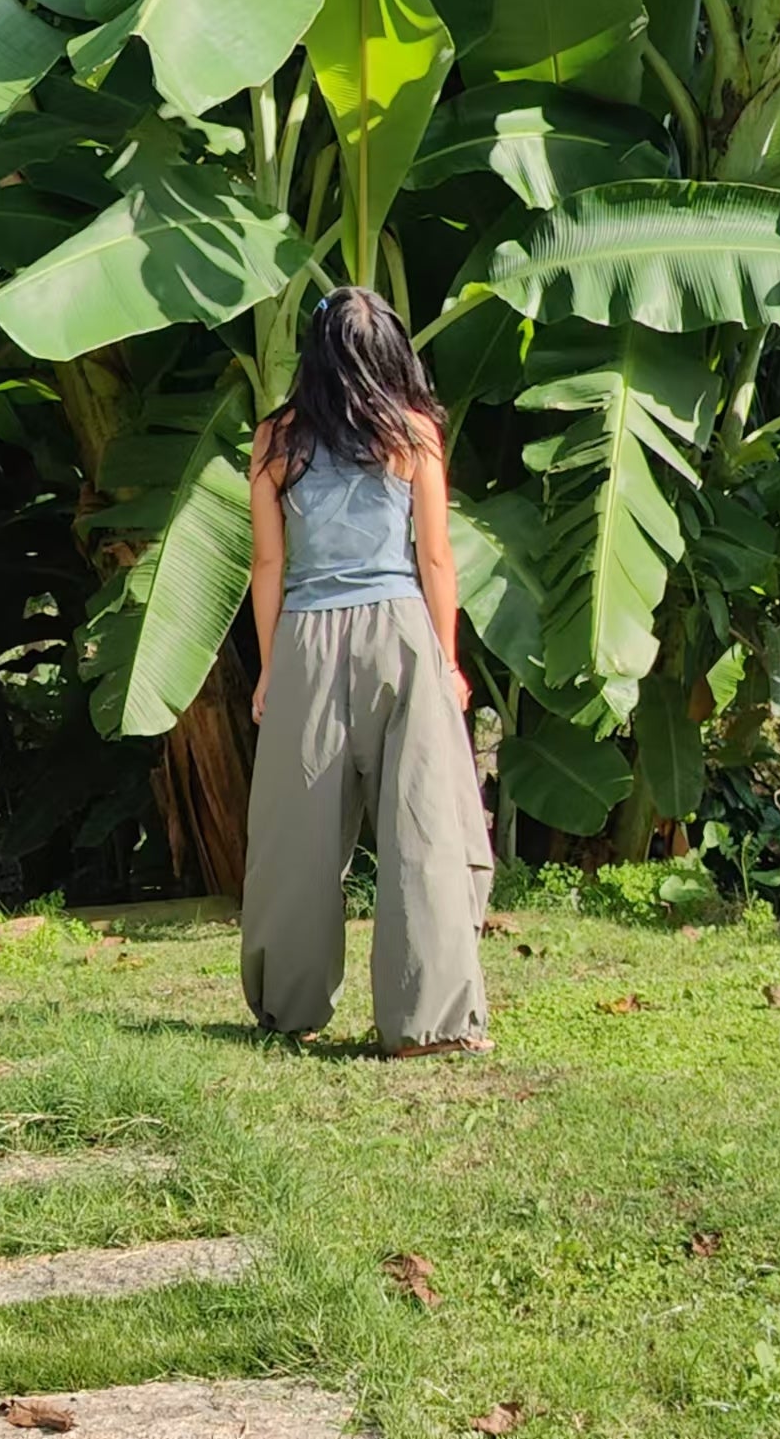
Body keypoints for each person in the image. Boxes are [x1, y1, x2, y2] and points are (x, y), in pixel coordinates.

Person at [240, 285, 494, 1057]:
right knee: (421, 828)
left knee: (295, 835)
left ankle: (289, 1010)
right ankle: (426, 1024)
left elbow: (267, 562)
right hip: (401, 635)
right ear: (389, 351)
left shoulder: (274, 440)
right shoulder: (413, 434)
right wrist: (447, 663)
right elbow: (436, 558)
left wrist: (268, 670)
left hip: (306, 638)